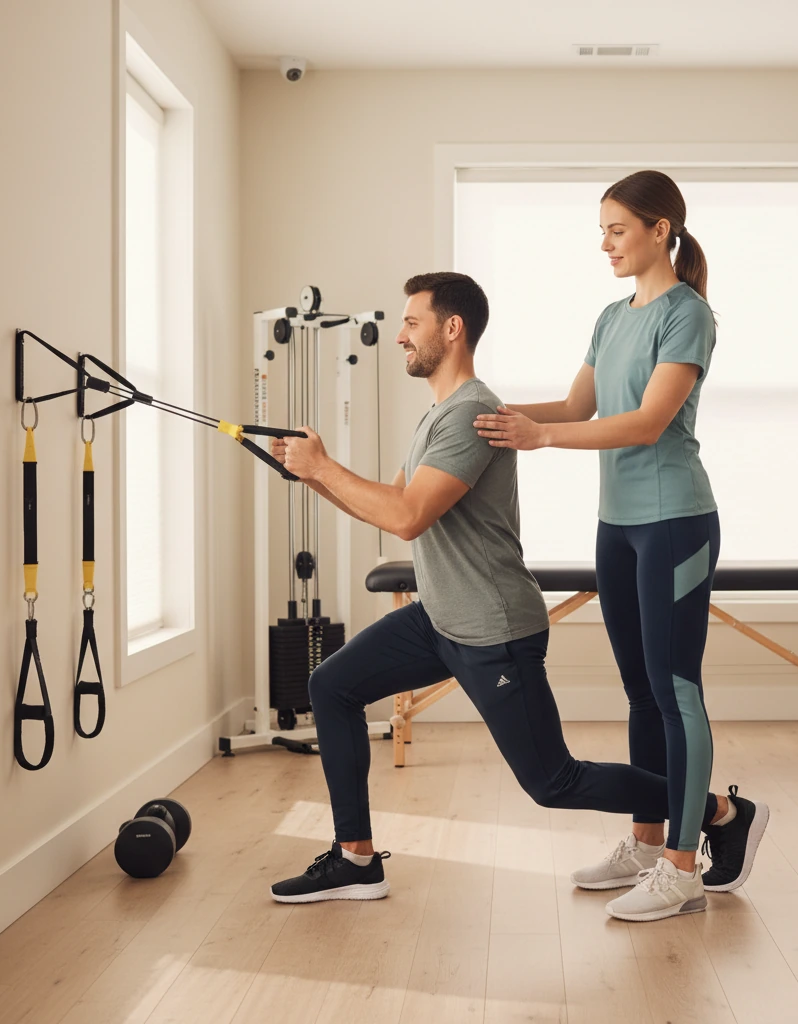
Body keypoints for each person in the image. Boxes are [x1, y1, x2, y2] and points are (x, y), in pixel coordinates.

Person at [268, 270, 762, 922]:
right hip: (441, 618)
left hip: (493, 628)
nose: (399, 335)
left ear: (453, 329)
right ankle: (356, 859)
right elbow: (391, 507)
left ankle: (720, 813)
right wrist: (313, 476)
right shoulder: (440, 414)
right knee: (333, 685)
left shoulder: (471, 414)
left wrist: (325, 469)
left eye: (411, 322)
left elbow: (410, 515)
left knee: (554, 783)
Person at [473, 170, 768, 905]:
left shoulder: (688, 314)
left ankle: (684, 867)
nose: (603, 243)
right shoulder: (610, 317)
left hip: (676, 522)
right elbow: (580, 403)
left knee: (675, 690)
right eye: (601, 230)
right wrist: (487, 415)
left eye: (616, 229)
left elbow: (646, 422)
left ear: (660, 230)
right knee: (639, 693)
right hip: (619, 526)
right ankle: (645, 844)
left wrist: (541, 438)